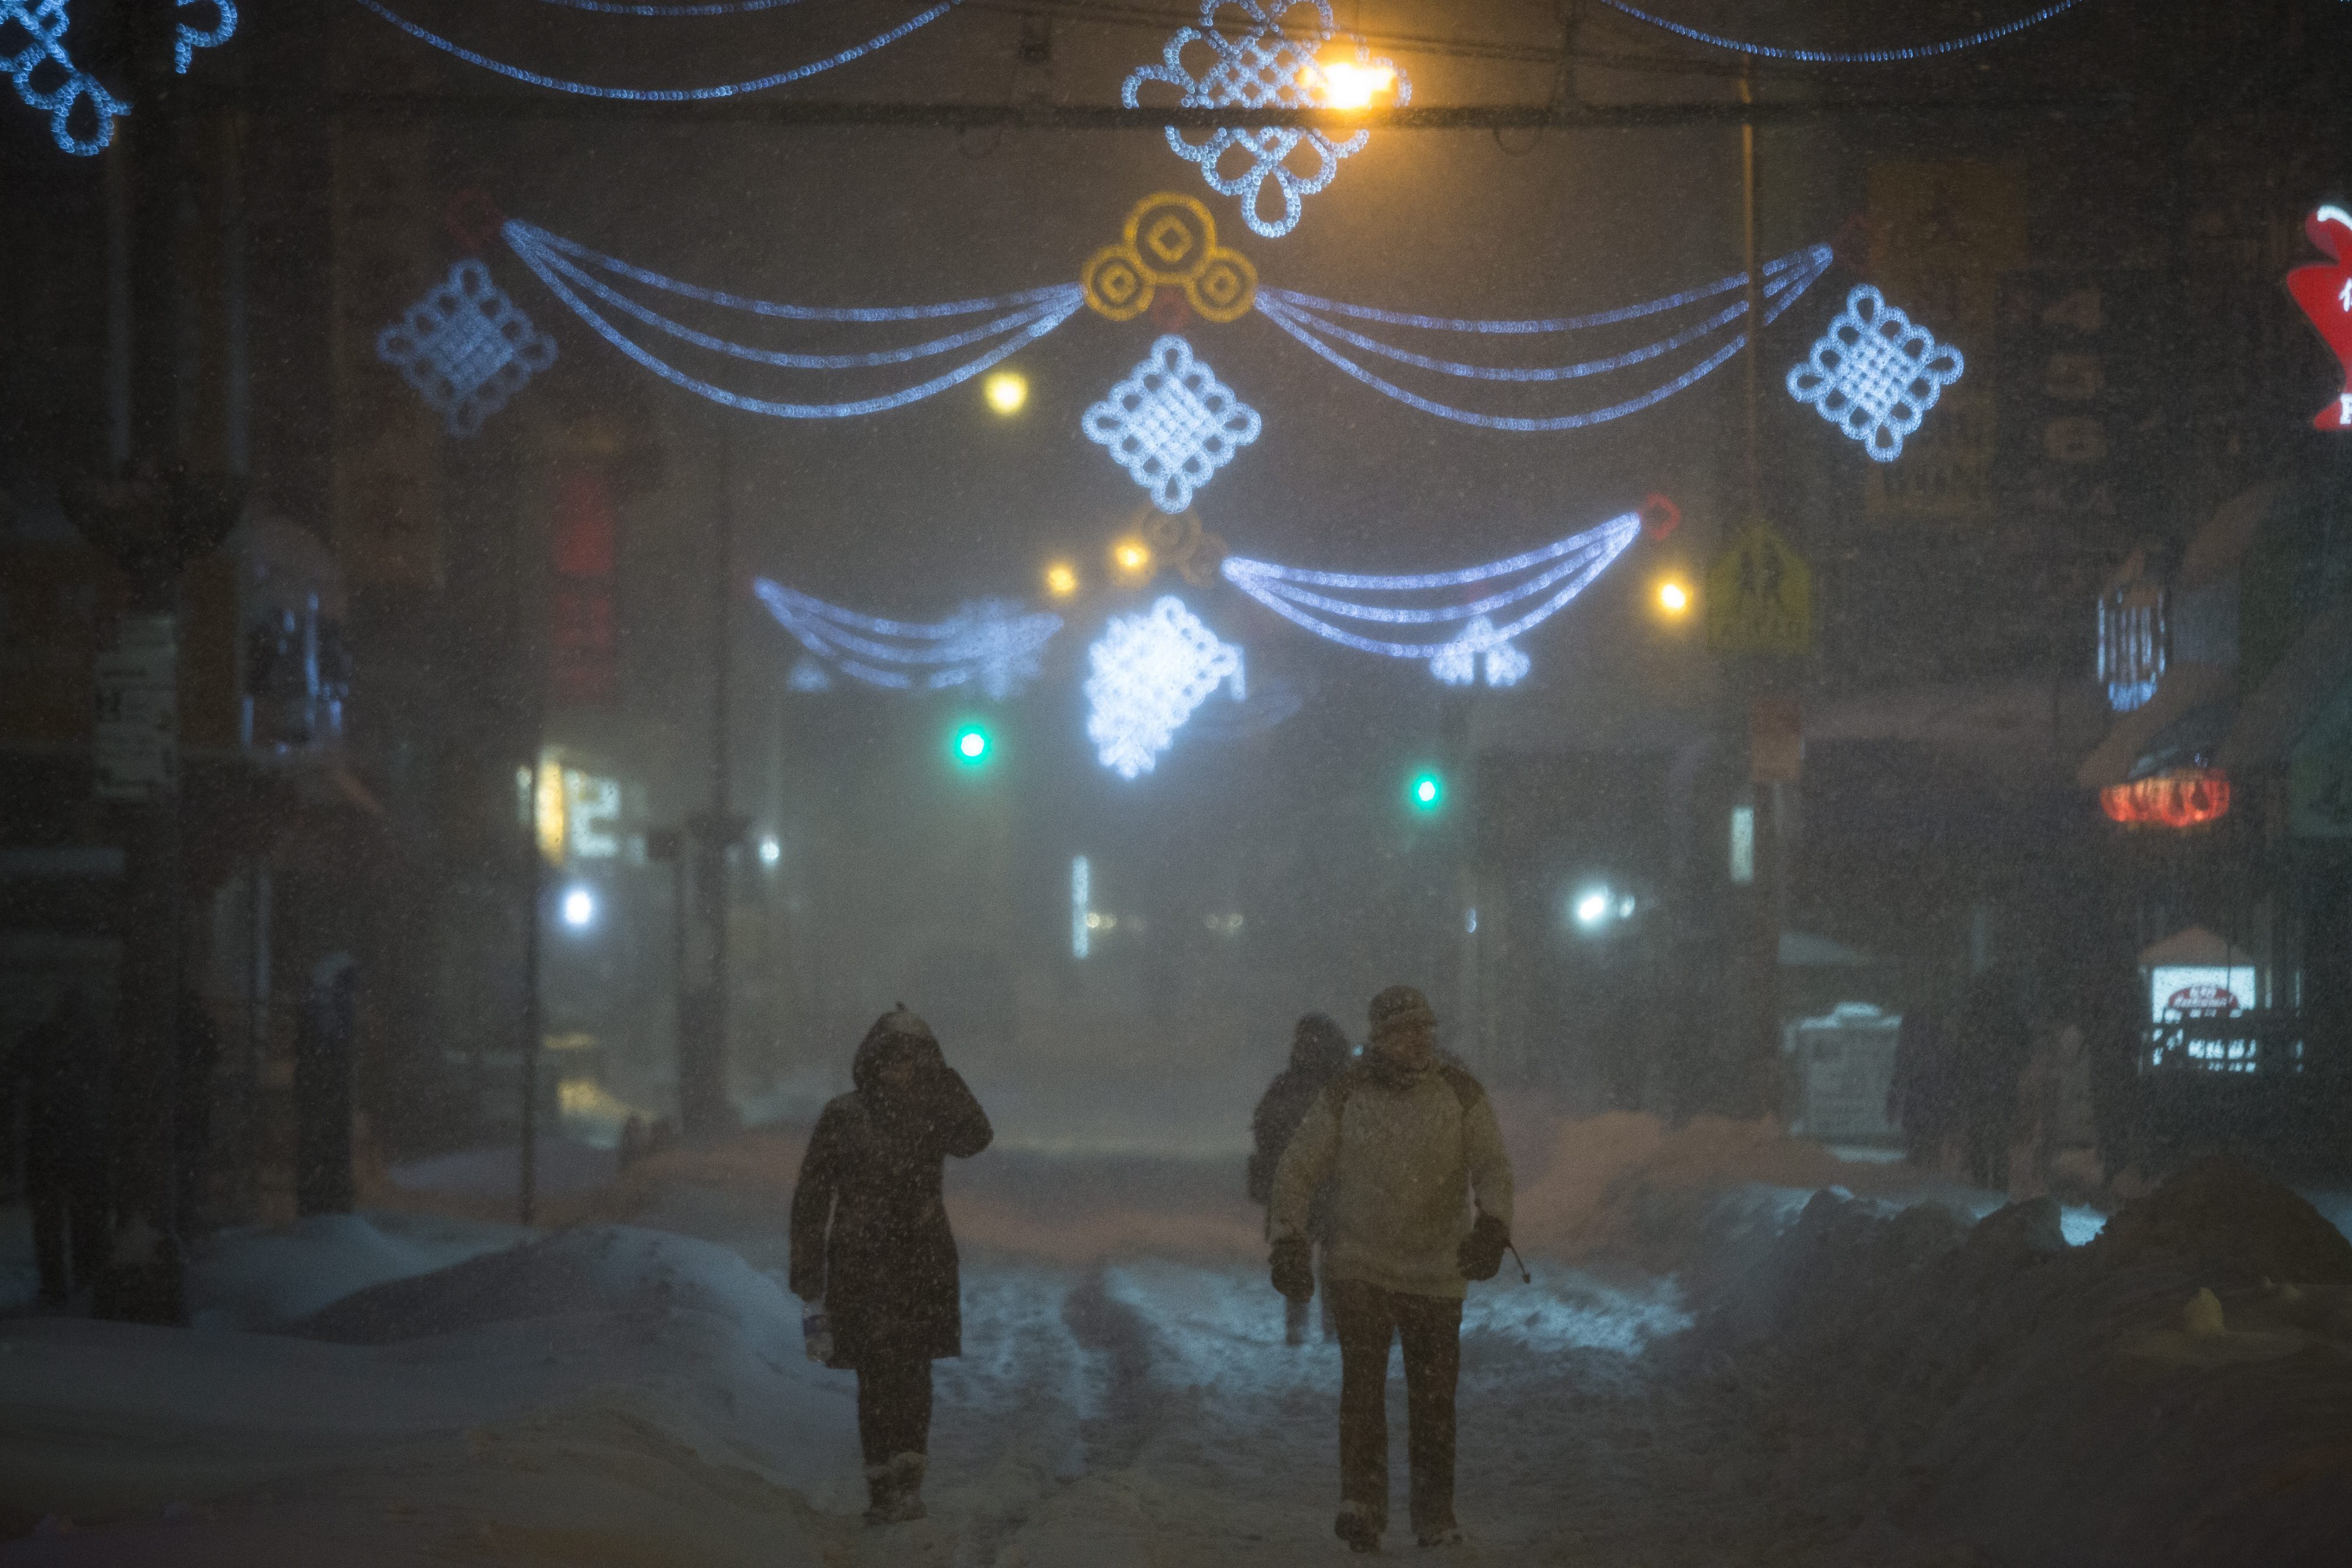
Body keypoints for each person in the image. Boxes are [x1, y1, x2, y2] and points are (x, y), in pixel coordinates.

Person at [1269, 985, 1515, 1553]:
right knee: (1363, 1389)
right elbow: (1298, 1166)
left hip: (1436, 1272)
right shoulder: (1346, 1093)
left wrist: (1493, 1225)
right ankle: (1362, 1502)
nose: (1416, 1041)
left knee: (1434, 1399)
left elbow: (1492, 1164)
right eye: (1403, 1031)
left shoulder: (1460, 1091)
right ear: (1378, 1038)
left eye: (1424, 1030)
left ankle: (1434, 1514)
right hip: (1362, 1267)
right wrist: (1288, 1239)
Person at [789, 1007, 992, 1526]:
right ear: (873, 1062)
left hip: (920, 1261)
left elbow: (976, 1136)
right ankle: (882, 1482)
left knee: (913, 1371)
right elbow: (813, 1195)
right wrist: (808, 1270)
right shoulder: (844, 1115)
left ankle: (907, 1480)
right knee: (877, 1376)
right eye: (894, 1058)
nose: (902, 1068)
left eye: (914, 1059)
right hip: (862, 1265)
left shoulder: (932, 1110)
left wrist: (946, 1081)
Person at [1247, 1012, 1352, 1344]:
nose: (1305, 1048)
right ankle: (1323, 1326)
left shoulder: (1296, 1085)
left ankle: (1311, 1325)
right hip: (1326, 1185)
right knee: (1319, 1256)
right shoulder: (1343, 1085)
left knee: (1314, 1256)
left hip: (1319, 1185)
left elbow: (1266, 1127)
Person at [5, 987, 113, 1308]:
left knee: (49, 1220)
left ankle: (56, 1284)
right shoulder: (95, 1044)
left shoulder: (44, 1040)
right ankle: (84, 1276)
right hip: (83, 1142)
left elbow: (14, 1072)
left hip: (48, 1141)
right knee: (83, 1216)